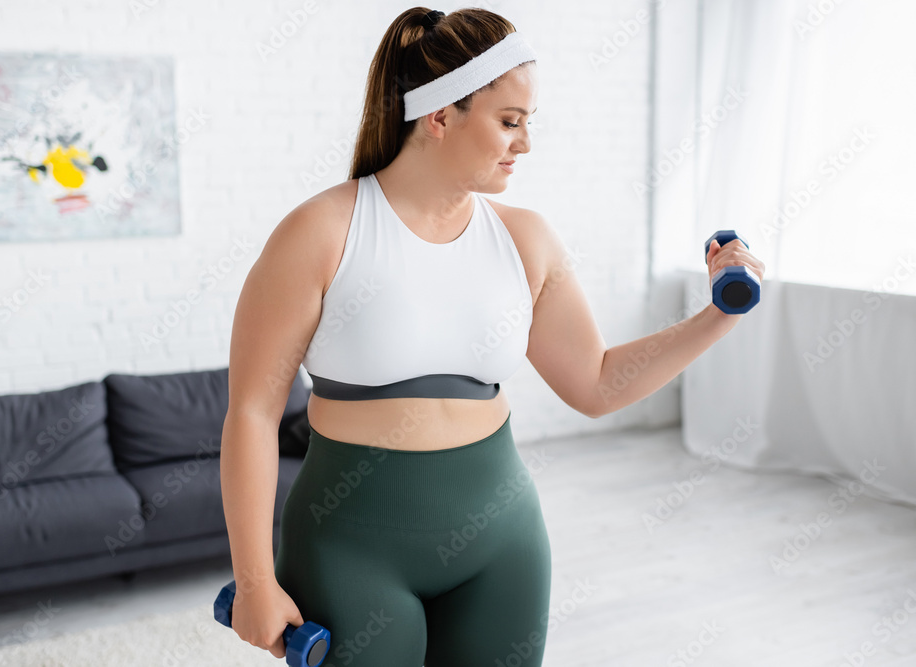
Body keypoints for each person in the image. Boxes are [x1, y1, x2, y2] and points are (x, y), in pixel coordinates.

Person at [219, 6, 765, 667]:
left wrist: (719, 315)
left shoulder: (525, 238)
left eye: (528, 122)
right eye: (510, 121)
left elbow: (595, 383)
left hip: (501, 541)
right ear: (440, 116)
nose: (525, 143)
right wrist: (254, 580)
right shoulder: (321, 232)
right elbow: (251, 409)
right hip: (351, 544)